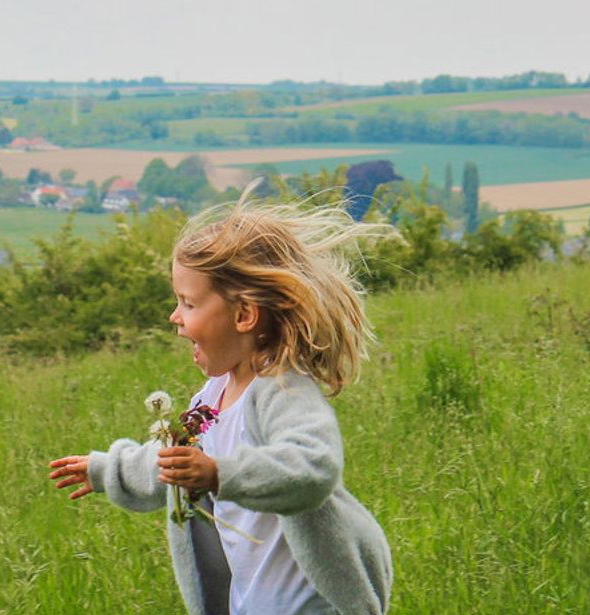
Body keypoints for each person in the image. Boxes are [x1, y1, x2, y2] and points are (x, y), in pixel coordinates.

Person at [49, 200, 395, 615]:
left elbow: (313, 468)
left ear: (245, 315)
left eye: (189, 303)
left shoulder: (282, 390)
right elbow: (174, 465)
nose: (175, 316)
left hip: (311, 604)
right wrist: (108, 470)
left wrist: (217, 473)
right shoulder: (210, 400)